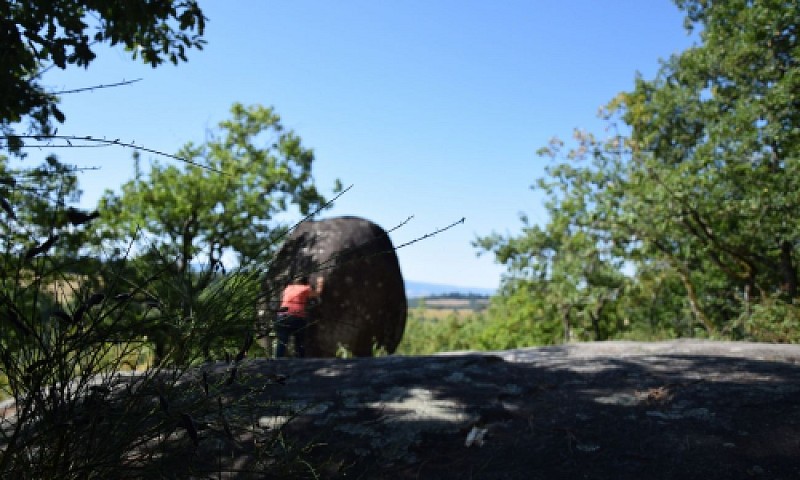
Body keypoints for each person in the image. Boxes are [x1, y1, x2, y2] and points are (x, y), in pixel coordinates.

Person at [274, 275, 323, 358]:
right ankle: (300, 361)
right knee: (300, 342)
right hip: (296, 317)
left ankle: (277, 361)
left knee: (282, 342)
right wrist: (320, 282)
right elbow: (317, 293)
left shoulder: (288, 288)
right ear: (305, 283)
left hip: (282, 316)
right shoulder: (305, 288)